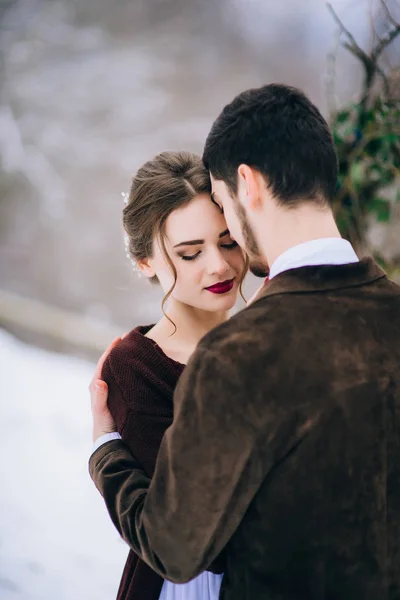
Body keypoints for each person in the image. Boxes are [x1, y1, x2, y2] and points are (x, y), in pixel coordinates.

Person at [89, 84, 400, 600]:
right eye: (191, 251)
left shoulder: (238, 354)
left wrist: (104, 452)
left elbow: (175, 546)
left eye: (226, 220)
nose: (219, 259)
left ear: (246, 186)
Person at [95, 150, 247, 600]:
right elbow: (190, 536)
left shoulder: (267, 342)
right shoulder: (135, 367)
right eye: (190, 253)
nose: (218, 265)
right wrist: (104, 453)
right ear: (145, 262)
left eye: (227, 241)